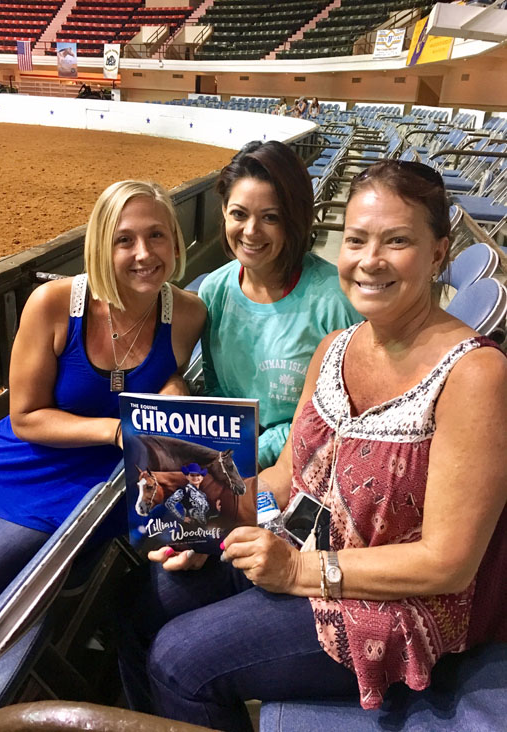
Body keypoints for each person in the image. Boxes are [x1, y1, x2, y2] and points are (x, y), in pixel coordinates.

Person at [116, 160, 506, 730]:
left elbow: (447, 563)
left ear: (439, 253)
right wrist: (207, 525)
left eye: (397, 241)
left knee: (181, 662)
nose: (370, 260)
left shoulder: (475, 376)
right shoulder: (334, 348)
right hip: (301, 538)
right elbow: (287, 475)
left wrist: (300, 571)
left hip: (394, 596)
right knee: (139, 602)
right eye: (356, 239)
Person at [0, 180, 206, 630]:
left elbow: (167, 369)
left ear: (174, 239)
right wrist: (116, 430)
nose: (144, 253)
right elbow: (27, 416)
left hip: (86, 484)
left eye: (157, 235)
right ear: (99, 245)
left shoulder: (189, 314)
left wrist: (174, 386)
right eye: (124, 240)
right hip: (20, 454)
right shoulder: (54, 303)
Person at [198, 140, 360, 469]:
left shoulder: (334, 302)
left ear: (294, 220)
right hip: (232, 456)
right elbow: (216, 386)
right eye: (239, 214)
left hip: (306, 462)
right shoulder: (214, 290)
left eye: (270, 217)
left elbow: (339, 413)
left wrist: (255, 453)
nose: (251, 231)